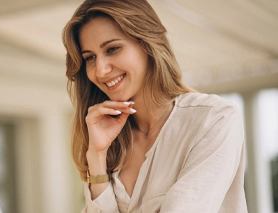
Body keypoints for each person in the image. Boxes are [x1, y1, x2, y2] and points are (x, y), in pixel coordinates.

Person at [62, 0, 248, 212]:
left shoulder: (214, 119)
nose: (101, 70)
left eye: (112, 49)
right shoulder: (110, 141)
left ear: (147, 44)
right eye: (90, 57)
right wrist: (97, 157)